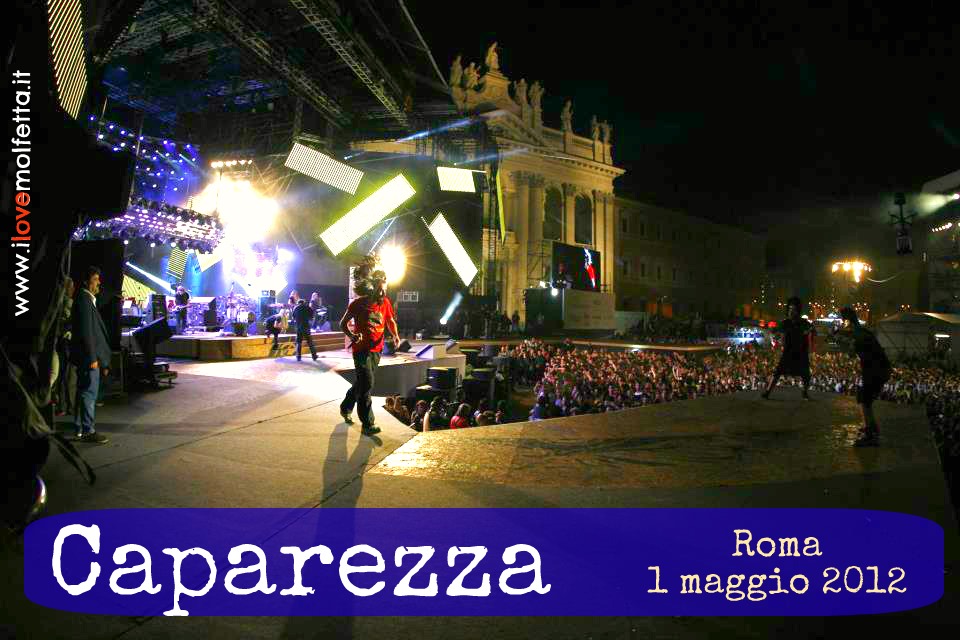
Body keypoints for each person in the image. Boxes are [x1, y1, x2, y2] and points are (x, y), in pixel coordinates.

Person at [339, 262, 400, 436]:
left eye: (384, 288)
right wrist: (352, 336)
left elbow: (390, 320)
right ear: (373, 287)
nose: (383, 291)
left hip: (377, 350)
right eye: (380, 288)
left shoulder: (385, 302)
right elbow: (342, 323)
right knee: (367, 384)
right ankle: (367, 423)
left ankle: (345, 407)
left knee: (362, 383)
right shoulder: (358, 304)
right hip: (361, 350)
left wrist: (395, 335)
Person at [836, 307, 892, 446]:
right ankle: (872, 427)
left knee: (865, 400)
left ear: (848, 321)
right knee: (865, 399)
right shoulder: (861, 332)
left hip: (875, 370)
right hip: (878, 369)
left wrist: (841, 341)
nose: (842, 323)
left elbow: (851, 353)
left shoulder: (859, 335)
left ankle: (870, 435)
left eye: (843, 321)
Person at [70, 266, 111, 444]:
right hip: (88, 358)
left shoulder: (86, 299)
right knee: (88, 393)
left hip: (88, 357)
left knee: (84, 392)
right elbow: (86, 332)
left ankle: (80, 428)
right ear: (87, 282)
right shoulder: (84, 300)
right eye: (95, 279)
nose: (99, 283)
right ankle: (88, 430)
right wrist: (92, 358)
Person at [762, 296, 814, 401]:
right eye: (790, 309)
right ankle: (767, 392)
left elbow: (812, 330)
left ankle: (804, 392)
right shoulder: (785, 323)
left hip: (800, 352)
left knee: (806, 374)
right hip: (788, 352)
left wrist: (808, 332)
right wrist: (772, 331)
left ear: (797, 311)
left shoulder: (804, 323)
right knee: (777, 372)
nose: (791, 312)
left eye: (793, 309)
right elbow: (776, 331)